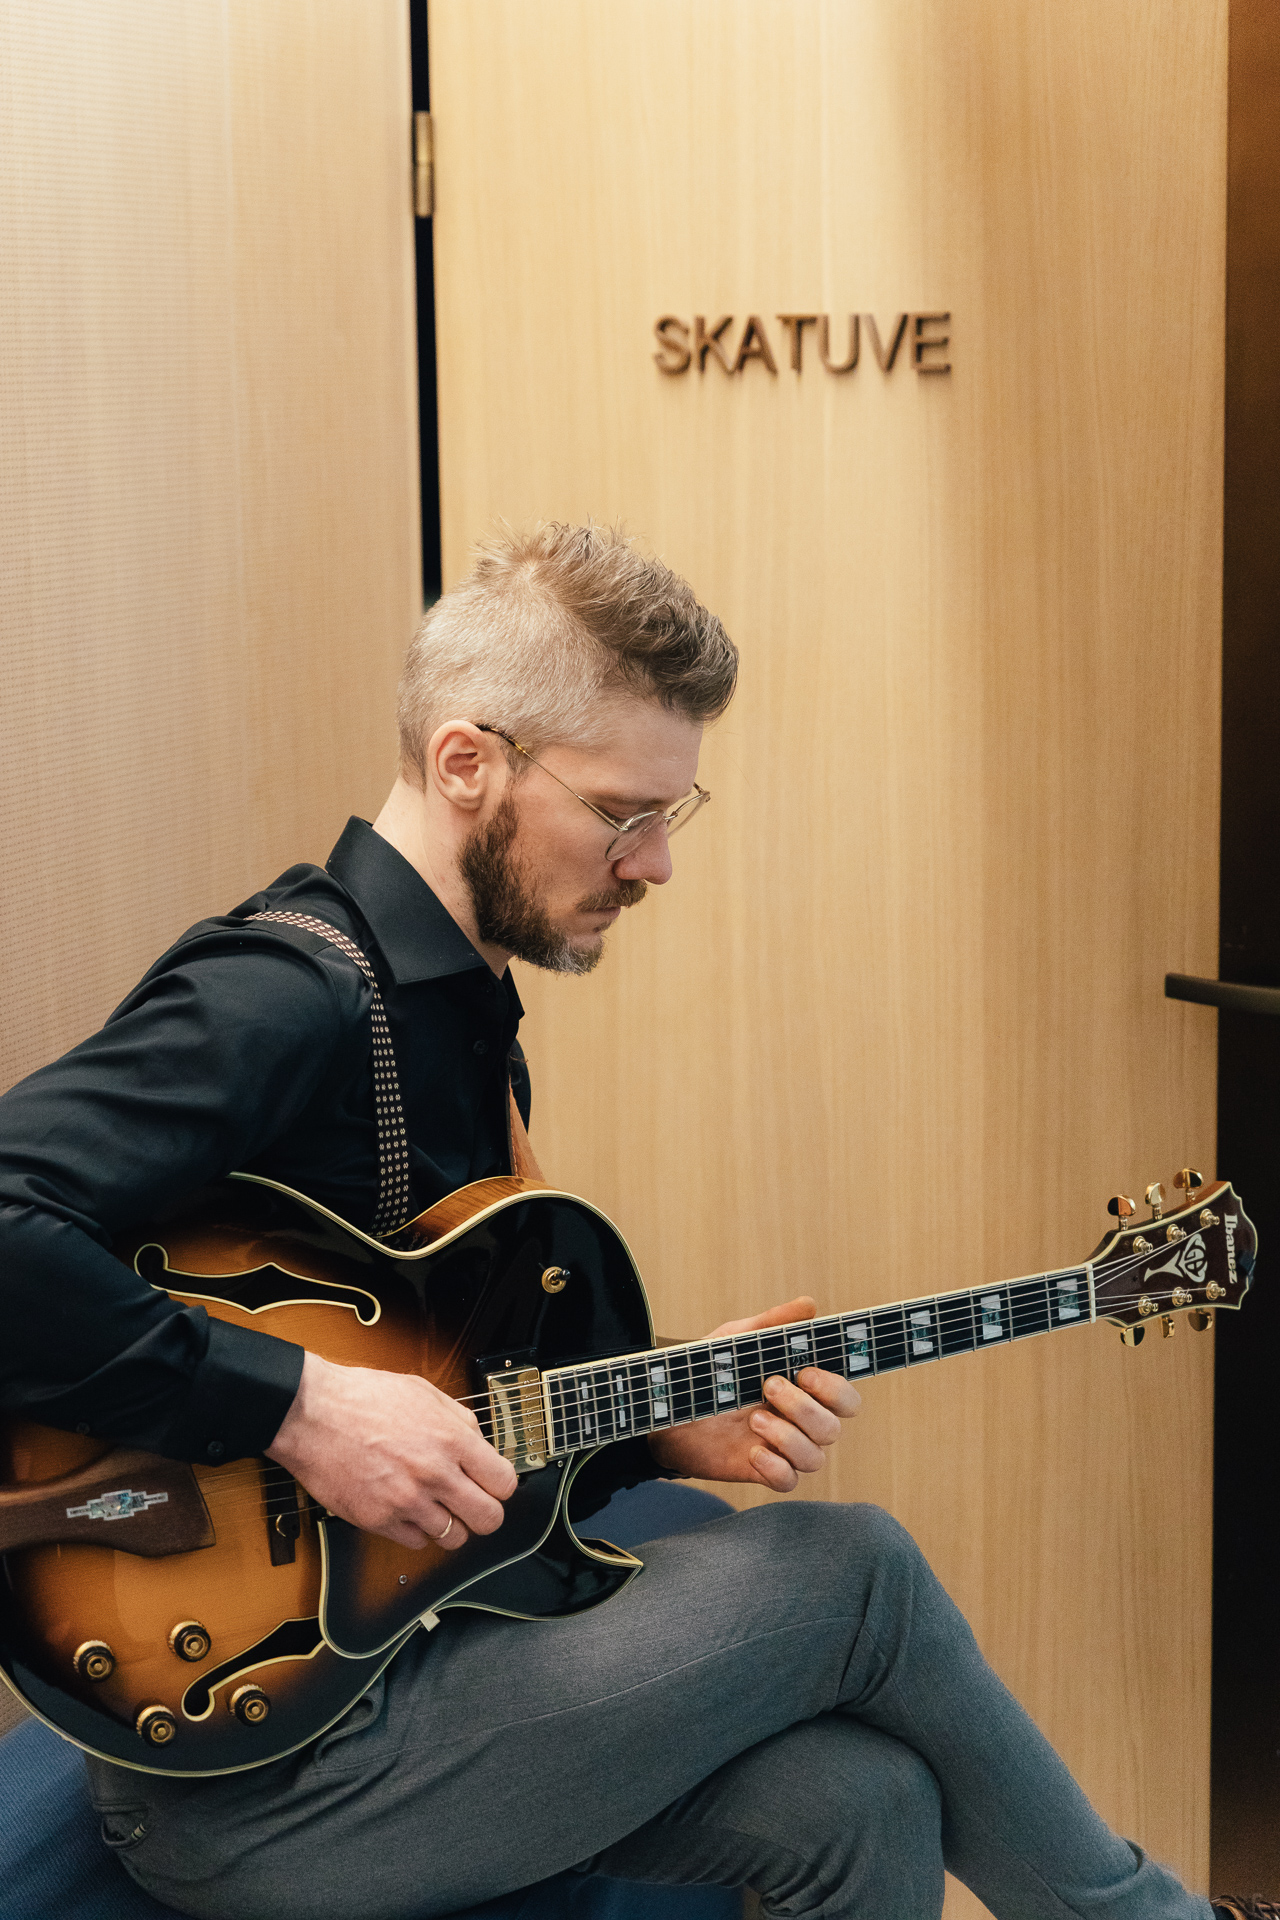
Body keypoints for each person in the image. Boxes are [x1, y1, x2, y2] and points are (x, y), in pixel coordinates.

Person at [0, 524, 1268, 1920]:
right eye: (621, 812)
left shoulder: (462, 1010)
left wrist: (658, 1433)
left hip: (417, 1662)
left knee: (864, 1804)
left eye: (673, 813)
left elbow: (443, 1428)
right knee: (856, 1571)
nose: (656, 862)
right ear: (467, 763)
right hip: (252, 1770)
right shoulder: (285, 995)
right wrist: (300, 1406)